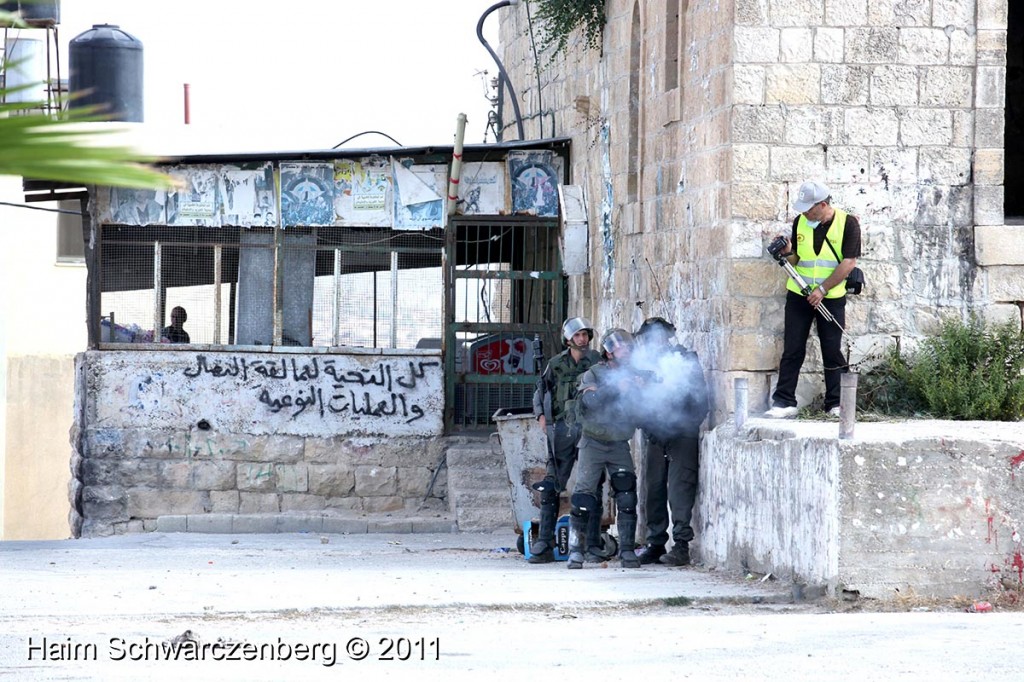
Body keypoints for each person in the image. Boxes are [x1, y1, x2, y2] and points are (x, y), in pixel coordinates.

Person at [764, 180, 861, 419]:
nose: (805, 213)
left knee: (832, 349)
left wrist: (824, 289)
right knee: (793, 347)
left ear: (823, 204)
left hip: (831, 296)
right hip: (799, 293)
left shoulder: (848, 224)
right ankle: (784, 401)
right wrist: (787, 251)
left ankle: (835, 404)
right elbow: (798, 258)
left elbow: (849, 262)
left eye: (809, 208)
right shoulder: (801, 222)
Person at [630, 317, 710, 567]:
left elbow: (699, 400)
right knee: (653, 489)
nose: (654, 342)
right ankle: (655, 543)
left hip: (681, 433)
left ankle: (681, 545)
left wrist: (683, 424)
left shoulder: (685, 360)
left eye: (658, 336)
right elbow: (635, 401)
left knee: (680, 489)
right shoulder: (642, 366)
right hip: (655, 434)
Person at [528, 317, 606, 564]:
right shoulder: (555, 364)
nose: (582, 339)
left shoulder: (597, 362)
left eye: (585, 335)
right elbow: (541, 392)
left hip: (589, 430)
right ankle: (545, 542)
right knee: (552, 485)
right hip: (561, 430)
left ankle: (593, 543)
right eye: (578, 335)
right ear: (568, 338)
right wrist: (541, 415)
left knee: (592, 486)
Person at [568, 328, 642, 569]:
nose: (626, 351)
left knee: (627, 494)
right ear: (609, 351)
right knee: (583, 496)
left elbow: (647, 406)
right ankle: (576, 550)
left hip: (619, 442)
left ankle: (628, 551)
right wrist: (615, 388)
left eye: (628, 347)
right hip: (593, 442)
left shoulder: (633, 375)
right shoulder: (594, 374)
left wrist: (640, 387)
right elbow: (589, 402)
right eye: (621, 347)